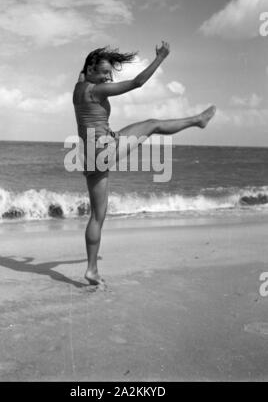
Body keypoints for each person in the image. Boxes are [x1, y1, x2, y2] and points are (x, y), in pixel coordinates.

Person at [73, 42, 216, 285]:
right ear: (90, 69)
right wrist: (160, 58)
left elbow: (84, 73)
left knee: (98, 216)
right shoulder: (96, 91)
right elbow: (137, 83)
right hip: (103, 149)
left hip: (88, 155)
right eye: (104, 72)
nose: (108, 77)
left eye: (110, 73)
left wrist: (96, 64)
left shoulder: (78, 87)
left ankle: (91, 270)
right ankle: (198, 120)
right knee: (152, 124)